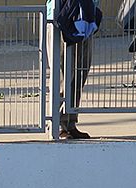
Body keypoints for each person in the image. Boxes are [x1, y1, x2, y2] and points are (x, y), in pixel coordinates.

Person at [46, 0, 98, 139]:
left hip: (85, 17)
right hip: (63, 16)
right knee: (63, 75)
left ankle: (69, 122)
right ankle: (56, 124)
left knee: (80, 73)